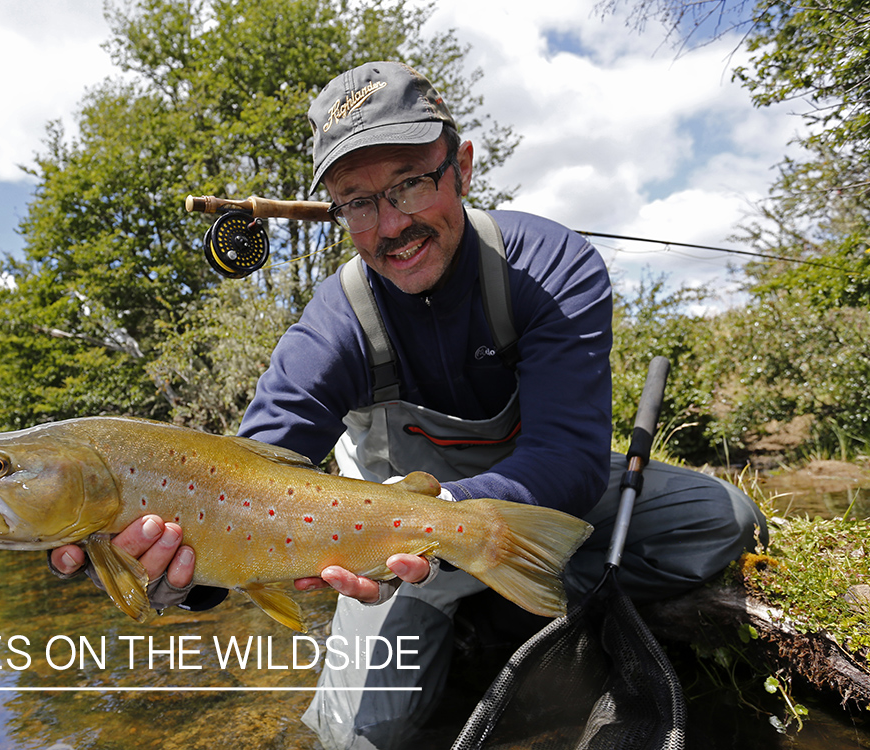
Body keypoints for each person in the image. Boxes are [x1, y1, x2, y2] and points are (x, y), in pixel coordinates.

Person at [49, 61, 768, 749]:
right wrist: (184, 574)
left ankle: (506, 595)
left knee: (721, 523)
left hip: (534, 490)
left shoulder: (549, 266)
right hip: (382, 545)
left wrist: (441, 517)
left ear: (462, 167)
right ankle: (486, 594)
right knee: (358, 739)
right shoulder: (333, 323)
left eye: (410, 184)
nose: (390, 226)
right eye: (358, 202)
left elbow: (567, 461)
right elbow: (244, 474)